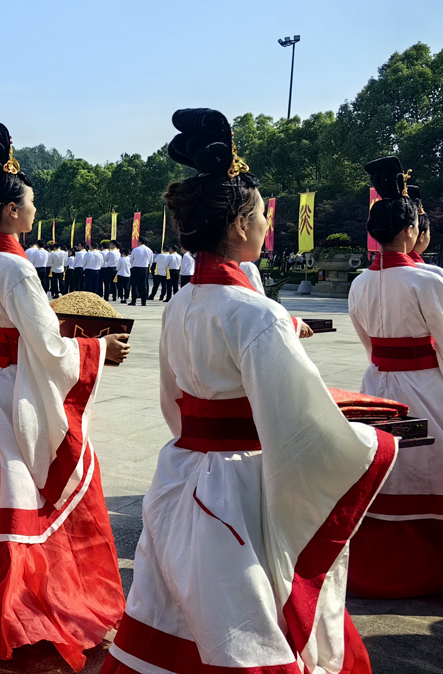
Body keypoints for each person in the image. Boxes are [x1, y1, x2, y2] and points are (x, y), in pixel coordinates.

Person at [101, 108, 392, 674]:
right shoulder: (257, 314)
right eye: (261, 216)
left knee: (179, 611)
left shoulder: (181, 304)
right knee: (244, 624)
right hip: (239, 488)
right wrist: (370, 442)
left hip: (181, 474)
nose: (268, 226)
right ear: (238, 224)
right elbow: (300, 421)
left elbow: (172, 404)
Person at [0, 124, 130, 669]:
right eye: (33, 201)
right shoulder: (16, 267)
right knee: (42, 490)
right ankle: (32, 604)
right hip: (22, 384)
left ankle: (12, 594)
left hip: (2, 380)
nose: (36, 207)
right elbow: (46, 343)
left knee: (15, 488)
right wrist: (96, 348)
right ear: (14, 210)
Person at [345, 157, 443, 600]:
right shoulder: (428, 280)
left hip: (378, 384)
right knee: (430, 466)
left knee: (392, 464)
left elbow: (368, 343)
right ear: (409, 231)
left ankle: (375, 557)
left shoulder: (359, 283)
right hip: (425, 385)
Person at [127, 237, 153, 306]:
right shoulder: (149, 250)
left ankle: (133, 301)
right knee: (144, 285)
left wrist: (133, 266)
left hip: (136, 268)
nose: (136, 242)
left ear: (140, 242)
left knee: (135, 285)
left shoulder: (135, 250)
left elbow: (131, 260)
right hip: (145, 268)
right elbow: (151, 261)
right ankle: (143, 302)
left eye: (137, 241)